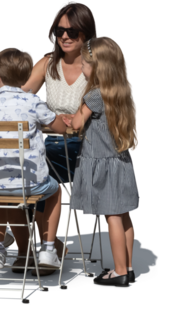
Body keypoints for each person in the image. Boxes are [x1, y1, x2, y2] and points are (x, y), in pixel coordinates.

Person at [21, 0, 99, 273]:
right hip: (47, 143)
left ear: (86, 34)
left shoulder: (95, 68)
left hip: (82, 146)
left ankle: (45, 246)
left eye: (73, 31)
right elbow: (20, 100)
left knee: (41, 166)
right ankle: (40, 246)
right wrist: (49, 119)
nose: (65, 36)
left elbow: (98, 111)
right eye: (59, 30)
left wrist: (68, 122)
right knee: (15, 164)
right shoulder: (46, 64)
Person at [0, 47, 67, 271]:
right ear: (27, 77)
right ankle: (47, 249)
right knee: (55, 190)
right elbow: (59, 127)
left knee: (0, 197)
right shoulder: (34, 102)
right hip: (29, 183)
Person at [63, 36, 140, 287]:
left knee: (112, 219)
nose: (82, 67)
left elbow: (76, 124)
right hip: (121, 163)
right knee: (124, 216)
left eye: (85, 63)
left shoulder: (94, 96)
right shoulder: (121, 91)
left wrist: (70, 118)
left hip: (102, 166)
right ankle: (127, 266)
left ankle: (118, 272)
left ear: (96, 67)